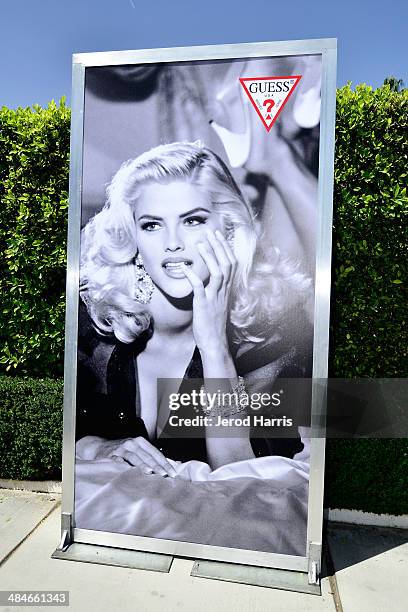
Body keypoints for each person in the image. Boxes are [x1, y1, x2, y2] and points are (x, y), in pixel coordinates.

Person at [76, 141, 313, 476]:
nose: (173, 243)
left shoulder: (270, 338)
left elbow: (244, 480)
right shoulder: (92, 319)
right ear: (134, 240)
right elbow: (40, 431)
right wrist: (96, 447)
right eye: (152, 225)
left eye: (193, 221)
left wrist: (215, 347)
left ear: (229, 229)